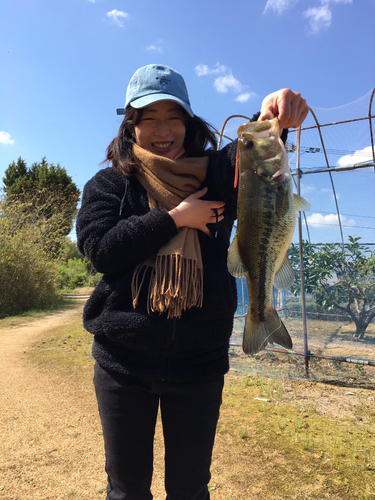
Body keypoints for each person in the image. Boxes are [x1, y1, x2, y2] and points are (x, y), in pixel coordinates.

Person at [76, 64, 308, 500]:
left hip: (198, 367)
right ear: (131, 126)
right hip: (122, 365)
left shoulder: (216, 175)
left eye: (173, 117)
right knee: (126, 491)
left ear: (188, 122)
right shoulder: (109, 185)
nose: (162, 130)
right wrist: (175, 218)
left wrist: (273, 112)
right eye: (149, 118)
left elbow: (253, 161)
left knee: (189, 490)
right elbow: (101, 249)